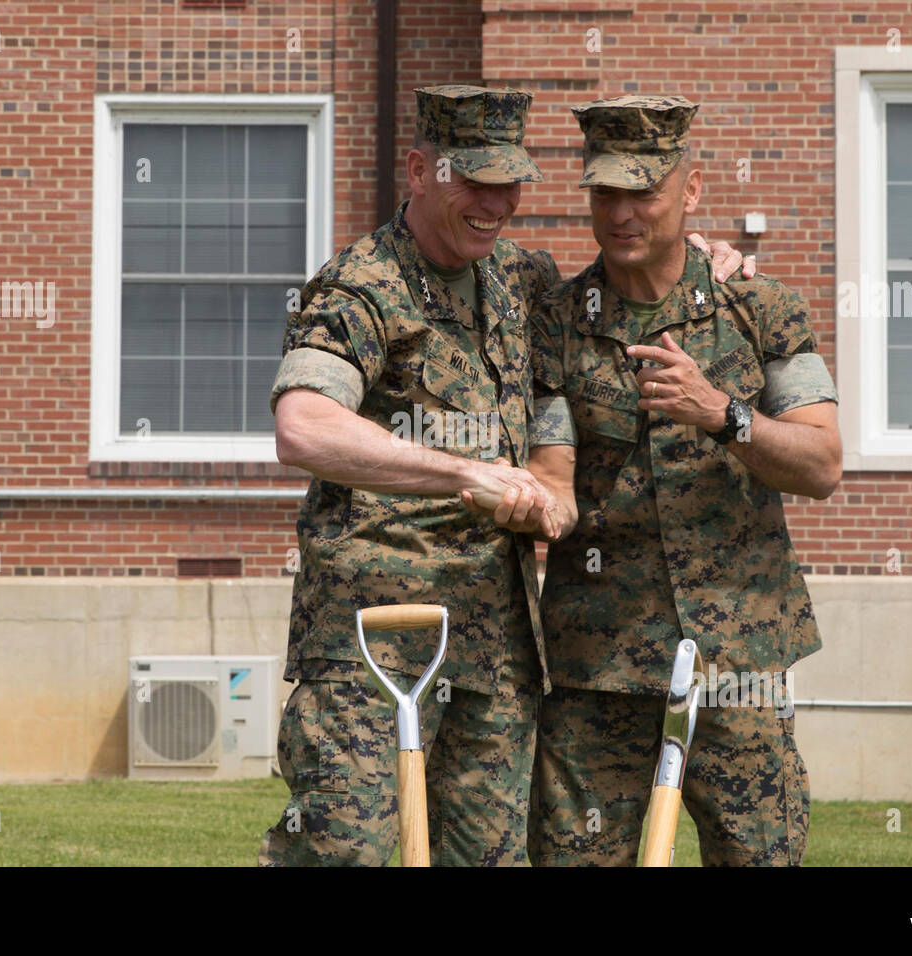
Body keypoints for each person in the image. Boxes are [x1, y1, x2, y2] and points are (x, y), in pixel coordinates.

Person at [259, 85, 748, 866]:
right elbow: (304, 426)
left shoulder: (523, 281)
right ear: (419, 171)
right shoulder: (361, 287)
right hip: (375, 638)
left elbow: (578, 361)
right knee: (338, 849)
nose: (495, 203)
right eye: (473, 181)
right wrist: (466, 476)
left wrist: (701, 258)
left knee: (489, 859)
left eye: (510, 182)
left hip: (495, 639)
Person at [525, 94, 842, 867]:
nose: (622, 213)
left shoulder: (761, 309)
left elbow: (823, 463)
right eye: (605, 193)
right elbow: (553, 470)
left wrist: (722, 413)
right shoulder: (557, 323)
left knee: (759, 856)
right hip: (598, 663)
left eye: (644, 192)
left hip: (738, 658)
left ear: (691, 189)